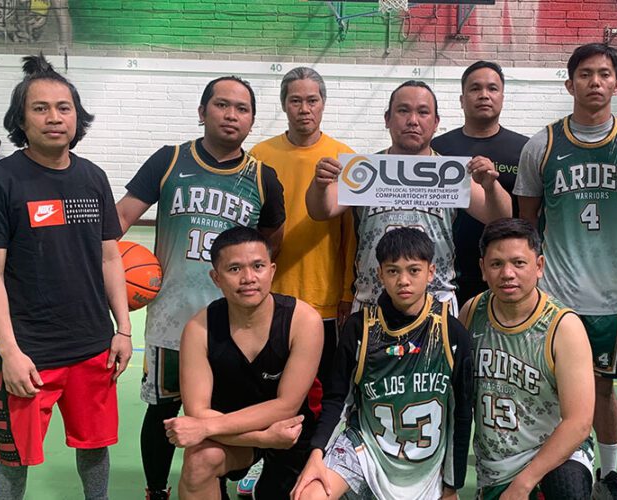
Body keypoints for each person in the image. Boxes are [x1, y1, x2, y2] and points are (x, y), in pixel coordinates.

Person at [0, 54, 132, 500]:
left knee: (95, 451)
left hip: (94, 348)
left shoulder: (93, 178)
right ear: (21, 119)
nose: (54, 117)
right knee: (13, 461)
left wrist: (124, 330)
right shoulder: (1, 183)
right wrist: (10, 351)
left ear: (78, 117)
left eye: (64, 107)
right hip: (30, 355)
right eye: (40, 108)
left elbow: (110, 259)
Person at [115, 76, 286, 500]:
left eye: (242, 109)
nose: (231, 115)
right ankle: (157, 489)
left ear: (251, 121)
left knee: (223, 413)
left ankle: (216, 482)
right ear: (202, 111)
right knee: (163, 409)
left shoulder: (262, 177)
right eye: (222, 105)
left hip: (233, 322)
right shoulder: (169, 160)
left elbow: (271, 241)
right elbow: (117, 220)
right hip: (172, 316)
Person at [514, 42, 617, 499]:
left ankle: (608, 473)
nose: (594, 82)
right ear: (569, 82)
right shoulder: (544, 143)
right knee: (542, 388)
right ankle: (536, 468)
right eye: (585, 74)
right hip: (553, 297)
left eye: (603, 74)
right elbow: (526, 223)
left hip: (609, 300)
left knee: (602, 391)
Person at [291, 227, 474, 500]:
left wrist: (452, 486)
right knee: (309, 495)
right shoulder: (359, 328)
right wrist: (316, 454)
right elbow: (336, 399)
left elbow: (461, 413)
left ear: (431, 272)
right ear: (380, 274)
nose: (403, 280)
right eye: (393, 271)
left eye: (414, 270)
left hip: (424, 464)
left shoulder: (451, 332)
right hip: (366, 448)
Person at [306, 80, 512, 314]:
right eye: (403, 110)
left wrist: (490, 185)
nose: (413, 120)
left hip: (435, 305)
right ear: (387, 119)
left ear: (435, 123)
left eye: (423, 112)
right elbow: (321, 211)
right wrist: (320, 185)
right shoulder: (365, 169)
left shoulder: (450, 172)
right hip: (372, 303)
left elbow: (500, 217)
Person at [162, 226, 324, 500]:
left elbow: (286, 406)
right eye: (234, 269)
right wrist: (262, 439)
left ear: (272, 270)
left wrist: (206, 428)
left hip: (292, 433)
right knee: (198, 462)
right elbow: (198, 412)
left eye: (258, 266)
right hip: (231, 433)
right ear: (216, 278)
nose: (248, 278)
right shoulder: (199, 330)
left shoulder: (303, 321)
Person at [459, 218, 594, 499]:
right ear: (483, 268)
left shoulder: (563, 326)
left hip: (553, 457)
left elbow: (579, 422)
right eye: (496, 264)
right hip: (495, 468)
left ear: (539, 266)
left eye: (519, 263)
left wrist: (524, 483)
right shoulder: (472, 313)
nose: (508, 273)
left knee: (568, 488)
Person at [249, 65, 355, 402]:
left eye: (312, 100)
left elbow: (351, 234)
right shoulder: (259, 156)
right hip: (269, 292)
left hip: (322, 296)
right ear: (283, 105)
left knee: (319, 393)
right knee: (268, 389)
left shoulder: (345, 158)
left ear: (323, 104)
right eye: (296, 100)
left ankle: (314, 454)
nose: (304, 109)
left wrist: (346, 293)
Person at [432, 61, 529, 306]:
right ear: (462, 99)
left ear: (502, 97)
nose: (484, 95)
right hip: (447, 275)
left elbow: (532, 216)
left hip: (505, 275)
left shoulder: (525, 150)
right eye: (475, 88)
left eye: (492, 88)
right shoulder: (438, 149)